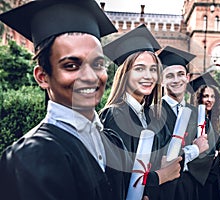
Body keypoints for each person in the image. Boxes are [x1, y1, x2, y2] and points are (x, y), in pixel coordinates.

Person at [0, 0, 131, 199]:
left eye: (97, 63)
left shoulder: (111, 141)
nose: (90, 77)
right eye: (71, 65)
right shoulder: (30, 157)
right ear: (42, 77)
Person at [100, 24, 182, 199]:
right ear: (125, 74)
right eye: (139, 69)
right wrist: (160, 176)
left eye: (153, 69)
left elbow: (170, 161)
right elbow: (117, 177)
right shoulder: (114, 115)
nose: (148, 76)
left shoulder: (153, 116)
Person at [158, 46, 209, 200]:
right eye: (170, 75)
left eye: (180, 74)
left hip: (193, 189)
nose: (176, 80)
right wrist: (195, 150)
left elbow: (208, 152)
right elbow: (160, 159)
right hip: (164, 191)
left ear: (187, 78)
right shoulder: (153, 113)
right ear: (161, 81)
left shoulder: (198, 114)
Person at [193, 83, 220, 200]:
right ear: (200, 99)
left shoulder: (215, 121)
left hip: (214, 173)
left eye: (212, 96)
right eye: (205, 96)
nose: (209, 100)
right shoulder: (193, 121)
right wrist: (217, 156)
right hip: (199, 175)